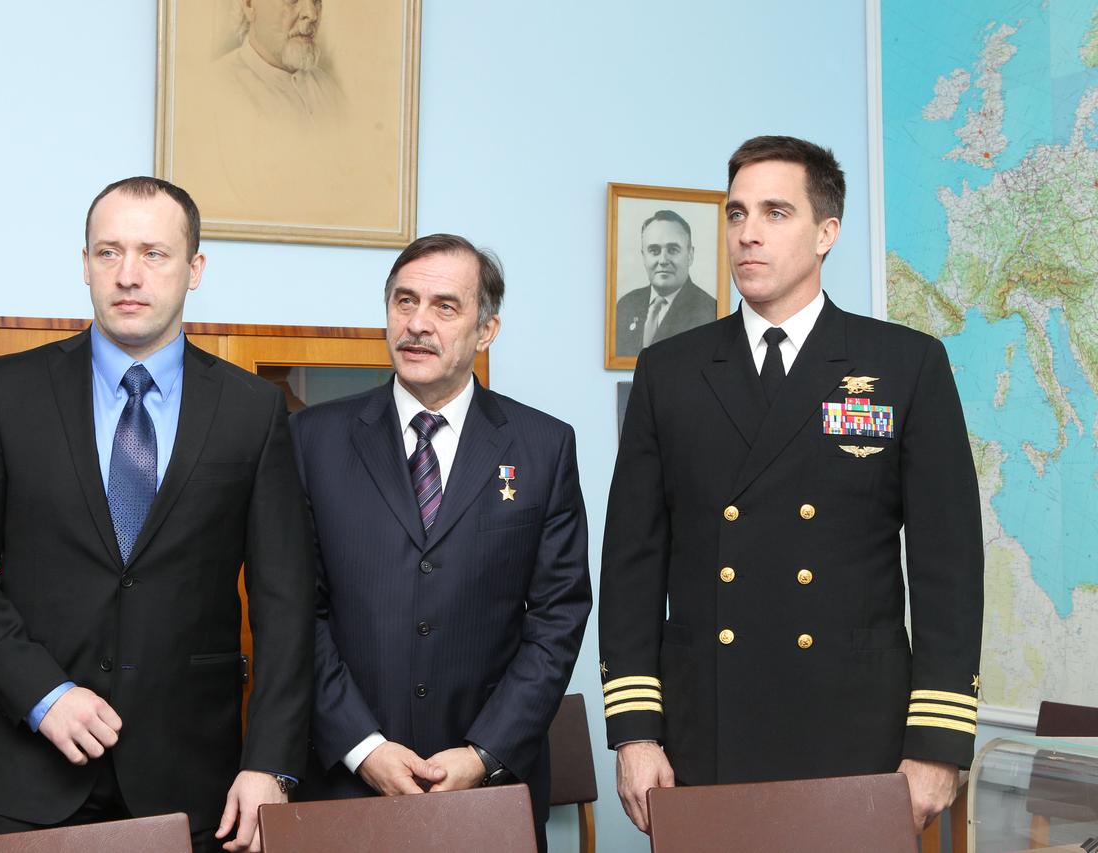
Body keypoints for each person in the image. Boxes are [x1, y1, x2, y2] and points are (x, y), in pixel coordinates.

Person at [599, 136, 983, 837]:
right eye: (737, 212)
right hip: (704, 733)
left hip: (856, 736)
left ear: (826, 232)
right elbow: (630, 565)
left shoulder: (903, 365)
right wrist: (635, 733)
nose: (748, 232)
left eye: (776, 212)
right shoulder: (671, 371)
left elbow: (948, 569)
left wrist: (936, 745)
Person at [0, 176, 315, 853]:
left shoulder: (252, 410)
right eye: (108, 252)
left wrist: (269, 761)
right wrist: (42, 692)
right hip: (32, 777)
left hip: (197, 784)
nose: (128, 274)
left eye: (154, 254)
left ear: (194, 269)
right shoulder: (8, 392)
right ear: (84, 264)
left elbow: (285, 598)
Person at [289, 233, 592, 850]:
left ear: (486, 331)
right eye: (404, 302)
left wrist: (484, 753)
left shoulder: (543, 447)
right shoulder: (312, 440)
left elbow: (558, 617)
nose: (417, 324)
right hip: (347, 780)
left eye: (444, 307)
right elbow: (296, 612)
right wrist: (363, 747)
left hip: (490, 786)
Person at [215, 0, 343, 119]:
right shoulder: (216, 91)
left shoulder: (330, 91)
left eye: (316, 0)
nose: (312, 14)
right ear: (249, 5)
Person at [614, 209, 717, 356]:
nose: (663, 260)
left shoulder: (710, 312)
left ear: (690, 255)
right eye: (654, 251)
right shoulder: (626, 306)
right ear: (644, 256)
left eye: (673, 250)